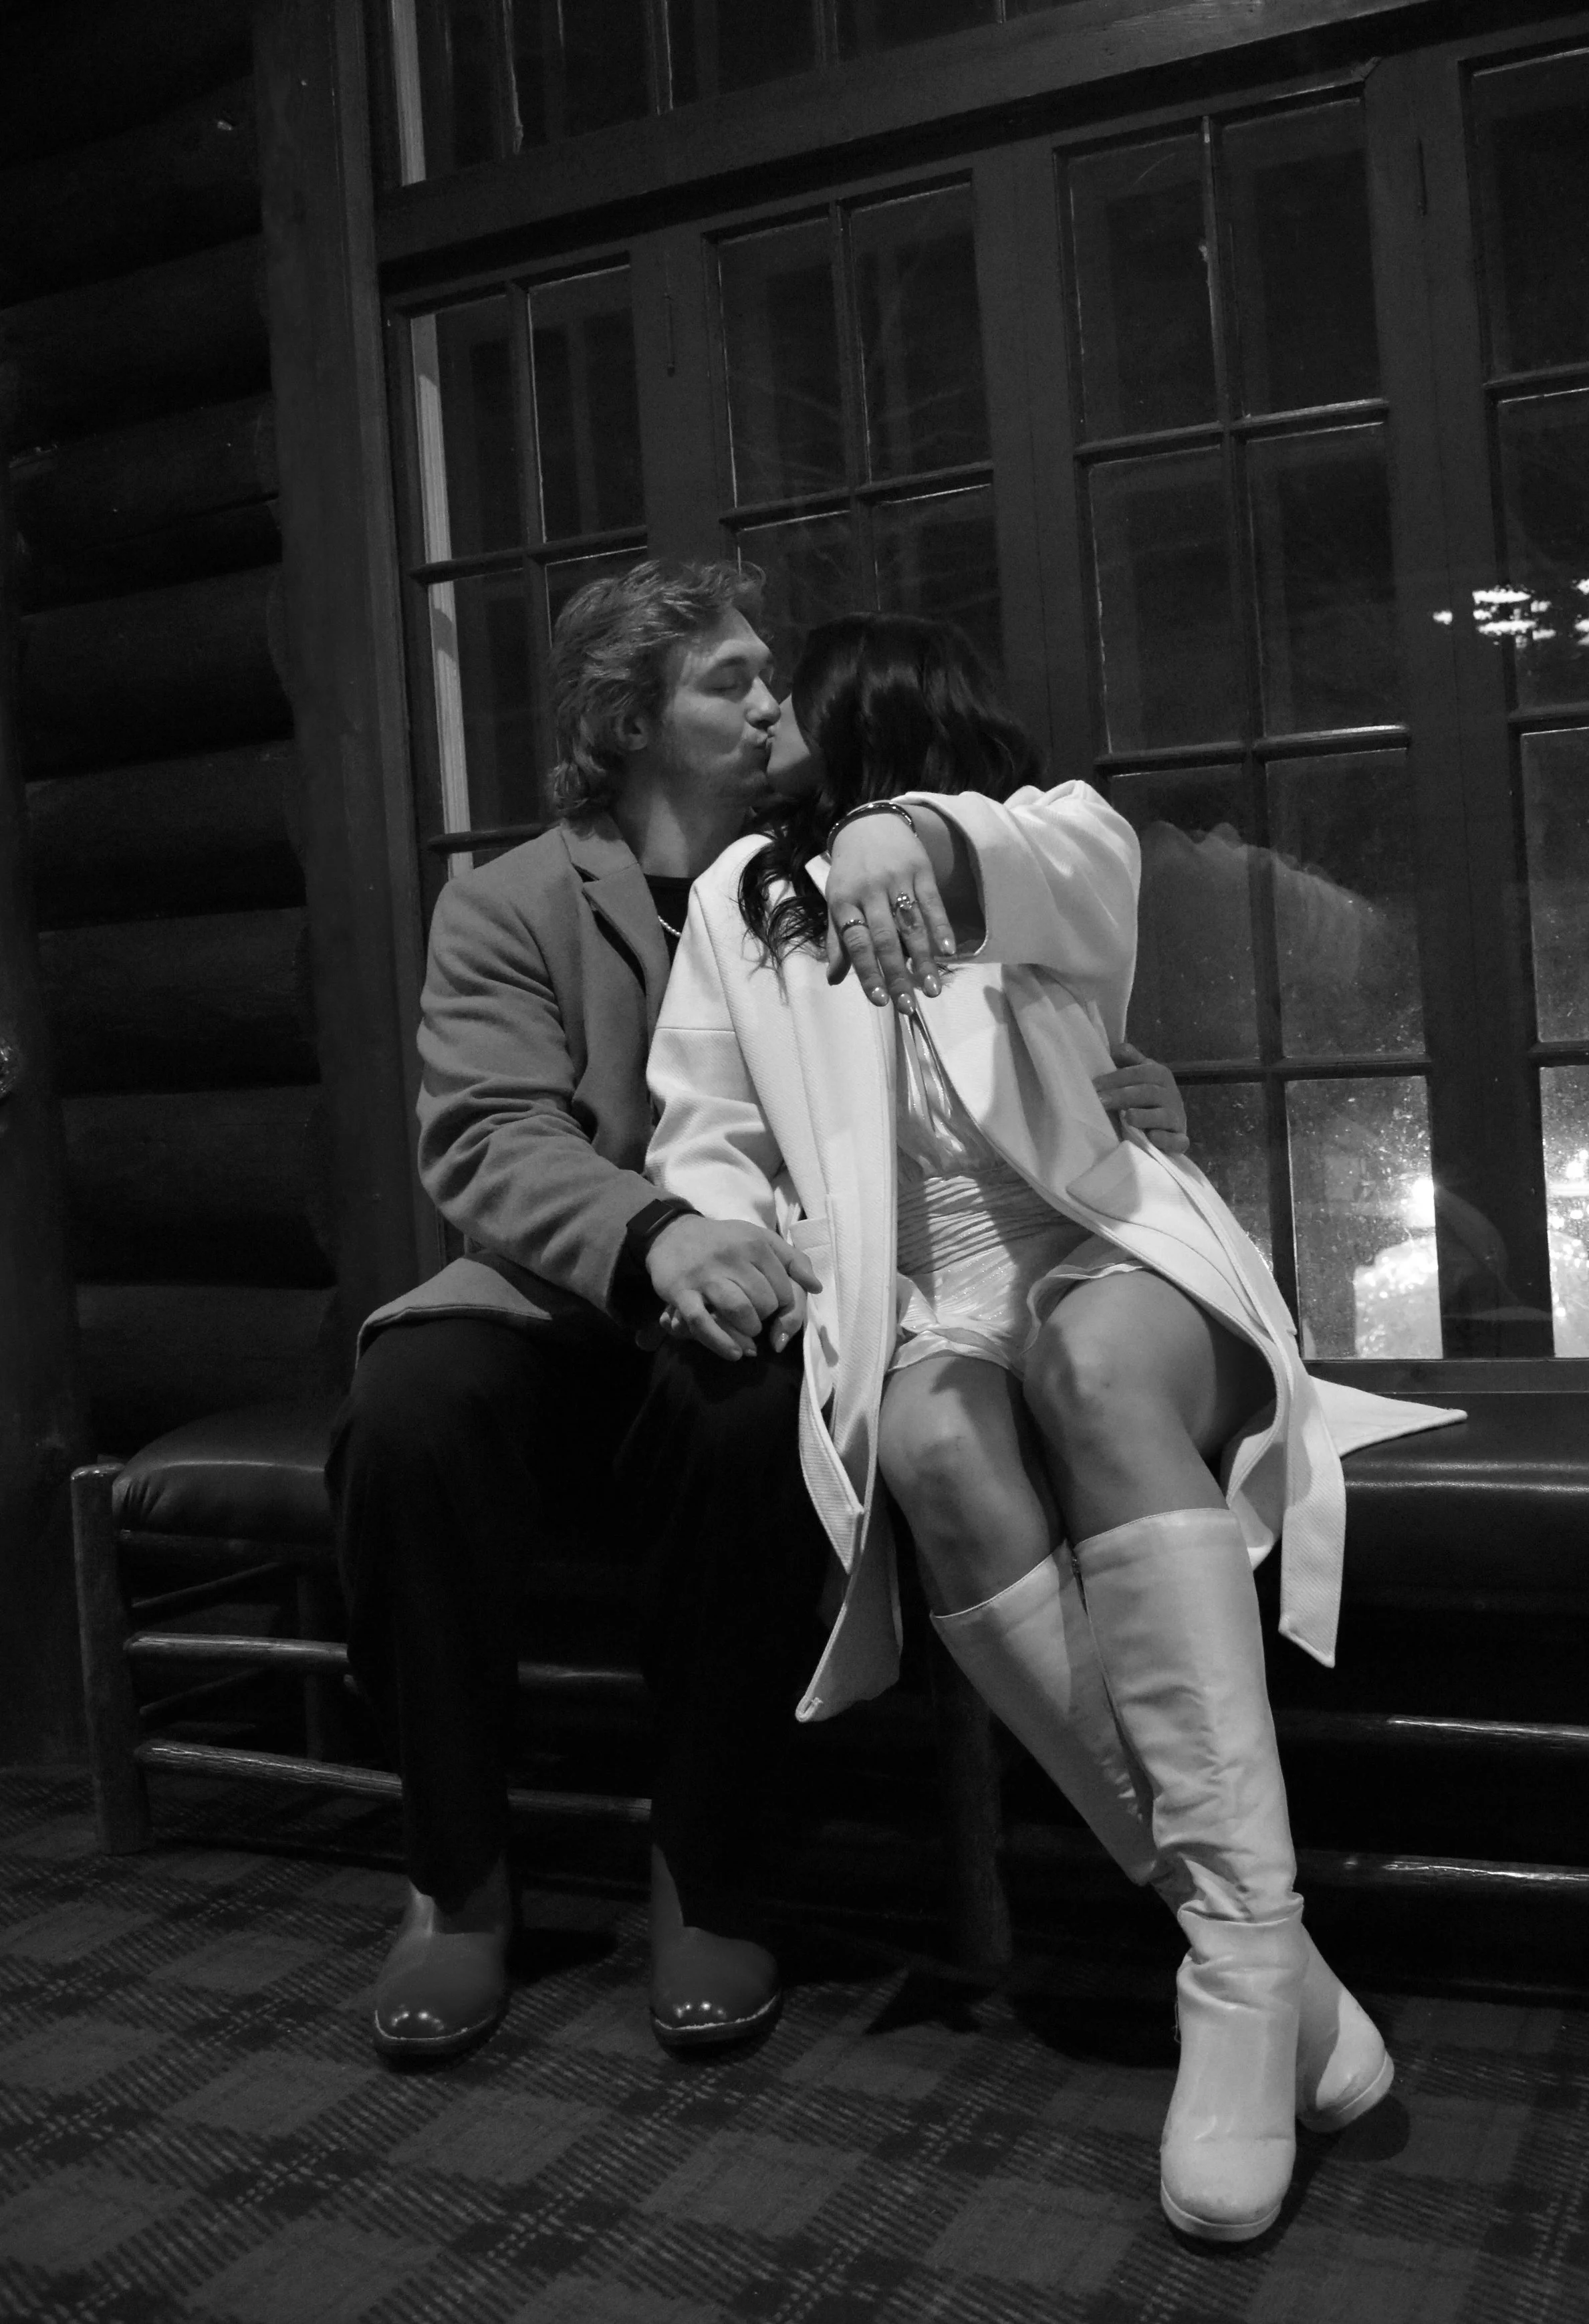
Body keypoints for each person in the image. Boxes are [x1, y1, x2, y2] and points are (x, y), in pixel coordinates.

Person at [642, 614, 1462, 2241]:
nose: (764, 719)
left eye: (788, 691)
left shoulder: (1052, 833)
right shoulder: (744, 903)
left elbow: (1044, 864)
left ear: (868, 713)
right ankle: (1263, 1959)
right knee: (929, 1442)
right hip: (925, 1301)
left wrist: (911, 829)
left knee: (1088, 1370)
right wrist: (727, 1231)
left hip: (1115, 1252)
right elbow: (707, 1127)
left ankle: (1229, 1982)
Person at [328, 558, 1191, 2067]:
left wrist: (1111, 1106)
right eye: (728, 679)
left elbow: (968, 1060)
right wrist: (655, 1232)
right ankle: (455, 1886)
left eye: (767, 673)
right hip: (561, 1300)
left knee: (748, 1426)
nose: (770, 699)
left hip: (774, 1307)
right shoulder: (512, 902)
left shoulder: (819, 866)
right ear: (631, 717)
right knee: (411, 1412)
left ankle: (705, 1875)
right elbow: (483, 1139)